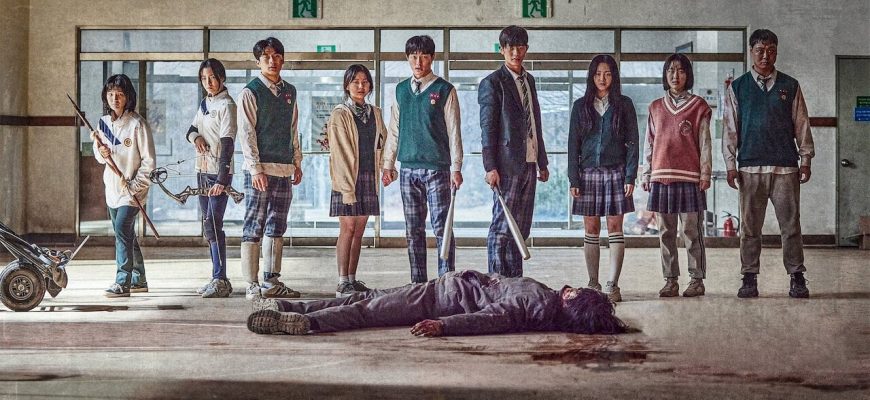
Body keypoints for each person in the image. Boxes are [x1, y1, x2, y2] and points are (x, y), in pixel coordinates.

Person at [245, 270, 628, 336]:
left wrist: (444, 325)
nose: (572, 288)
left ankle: (308, 323)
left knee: (366, 311)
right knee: (364, 297)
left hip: (437, 300)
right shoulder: (545, 300)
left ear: (573, 302)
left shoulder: (537, 303)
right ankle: (289, 309)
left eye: (578, 292)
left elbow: (490, 318)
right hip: (441, 288)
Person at [722, 29, 814, 299]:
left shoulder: (790, 85)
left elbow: (802, 124)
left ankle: (797, 276)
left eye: (771, 50)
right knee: (750, 228)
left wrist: (805, 158)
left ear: (776, 52)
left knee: (791, 226)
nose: (765, 56)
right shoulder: (738, 87)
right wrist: (730, 164)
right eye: (760, 50)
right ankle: (749, 277)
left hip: (785, 167)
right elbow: (730, 129)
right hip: (750, 167)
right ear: (751, 52)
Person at [382, 35, 463, 284]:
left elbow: (454, 131)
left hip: (438, 169)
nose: (418, 62)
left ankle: (446, 281)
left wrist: (456, 167)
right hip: (408, 170)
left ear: (432, 58)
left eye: (424, 56)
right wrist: (388, 164)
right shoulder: (400, 91)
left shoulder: (445, 90)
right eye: (414, 56)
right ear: (408, 58)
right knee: (413, 229)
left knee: (442, 228)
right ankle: (418, 283)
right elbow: (394, 129)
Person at [567, 54, 639, 303]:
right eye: (598, 74)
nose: (602, 79)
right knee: (591, 229)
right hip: (587, 174)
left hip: (617, 172)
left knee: (615, 227)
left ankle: (612, 284)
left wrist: (630, 175)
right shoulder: (580, 106)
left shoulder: (624, 105)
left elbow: (633, 142)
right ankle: (593, 282)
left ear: (614, 77)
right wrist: (574, 178)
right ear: (591, 77)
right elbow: (573, 145)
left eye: (607, 74)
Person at [478, 25, 549, 278]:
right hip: (506, 165)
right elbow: (487, 128)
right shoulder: (492, 83)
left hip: (530, 162)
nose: (516, 53)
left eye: (520, 47)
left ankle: (514, 283)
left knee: (520, 228)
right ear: (502, 50)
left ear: (526, 49)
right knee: (501, 228)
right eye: (510, 48)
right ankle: (497, 284)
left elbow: (535, 121)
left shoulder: (529, 80)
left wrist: (542, 161)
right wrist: (490, 167)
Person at [238, 37, 304, 300]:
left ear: (283, 59)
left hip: (284, 168)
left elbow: (293, 129)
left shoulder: (290, 92)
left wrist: (297, 162)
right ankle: (251, 283)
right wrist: (255, 169)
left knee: (278, 224)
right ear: (258, 62)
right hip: (260, 170)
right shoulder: (250, 92)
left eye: (276, 56)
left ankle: (272, 280)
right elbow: (246, 133)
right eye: (266, 56)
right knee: (254, 224)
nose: (272, 61)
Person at [641, 53, 712, 298]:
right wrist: (646, 173)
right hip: (661, 177)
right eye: (670, 70)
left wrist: (705, 173)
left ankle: (696, 279)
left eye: (681, 70)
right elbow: (649, 143)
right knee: (666, 233)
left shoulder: (699, 106)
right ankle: (670, 280)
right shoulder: (655, 107)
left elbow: (705, 143)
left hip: (690, 178)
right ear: (665, 74)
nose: (675, 75)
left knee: (692, 231)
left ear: (687, 75)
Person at [91, 74, 155, 298]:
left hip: (132, 191)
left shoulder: (137, 124)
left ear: (128, 97)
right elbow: (99, 156)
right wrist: (101, 152)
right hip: (112, 189)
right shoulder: (103, 123)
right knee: (126, 234)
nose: (115, 99)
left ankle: (122, 281)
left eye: (119, 94)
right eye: (110, 94)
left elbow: (149, 162)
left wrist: (134, 185)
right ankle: (139, 279)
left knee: (121, 231)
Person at [327, 64, 387, 297]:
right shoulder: (340, 114)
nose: (361, 86)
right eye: (355, 82)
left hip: (368, 175)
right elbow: (340, 153)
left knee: (360, 230)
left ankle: (352, 278)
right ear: (347, 85)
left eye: (365, 82)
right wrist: (346, 189)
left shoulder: (376, 113)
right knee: (348, 228)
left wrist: (386, 168)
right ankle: (342, 281)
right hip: (347, 178)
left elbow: (382, 143)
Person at [186, 58, 237, 298]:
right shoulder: (205, 103)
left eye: (212, 78)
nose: (208, 82)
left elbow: (227, 144)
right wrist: (196, 138)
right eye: (204, 79)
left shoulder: (227, 105)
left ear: (221, 78)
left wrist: (221, 180)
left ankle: (221, 279)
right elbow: (191, 130)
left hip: (219, 173)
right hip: (202, 170)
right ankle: (216, 276)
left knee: (214, 224)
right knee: (208, 225)